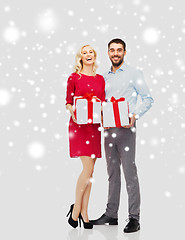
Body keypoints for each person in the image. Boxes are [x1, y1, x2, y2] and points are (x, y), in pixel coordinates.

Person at [90, 39, 154, 233]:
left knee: (129, 172)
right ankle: (111, 213)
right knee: (112, 172)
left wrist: (135, 116)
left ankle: (134, 217)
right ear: (108, 52)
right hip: (108, 130)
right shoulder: (103, 77)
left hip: (126, 129)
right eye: (112, 50)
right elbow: (101, 102)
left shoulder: (135, 73)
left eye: (119, 50)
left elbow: (148, 99)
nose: (115, 53)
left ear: (125, 52)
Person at [65, 45, 105, 229]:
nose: (88, 54)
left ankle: (84, 211)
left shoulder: (100, 79)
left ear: (94, 56)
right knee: (87, 169)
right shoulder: (74, 77)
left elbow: (103, 102)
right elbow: (68, 102)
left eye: (91, 52)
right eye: (84, 52)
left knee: (91, 172)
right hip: (79, 126)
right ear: (80, 57)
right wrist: (71, 108)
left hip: (94, 126)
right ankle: (76, 209)